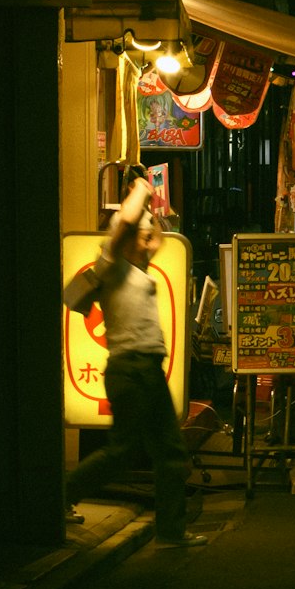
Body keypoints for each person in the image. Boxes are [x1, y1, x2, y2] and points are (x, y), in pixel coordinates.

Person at [64, 167, 205, 548]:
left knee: (162, 451)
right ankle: (61, 495)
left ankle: (171, 532)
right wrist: (141, 188)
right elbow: (126, 221)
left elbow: (153, 235)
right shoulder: (110, 263)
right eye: (141, 236)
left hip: (143, 368)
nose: (149, 240)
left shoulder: (137, 267)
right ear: (126, 239)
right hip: (132, 368)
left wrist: (154, 204)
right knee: (131, 450)